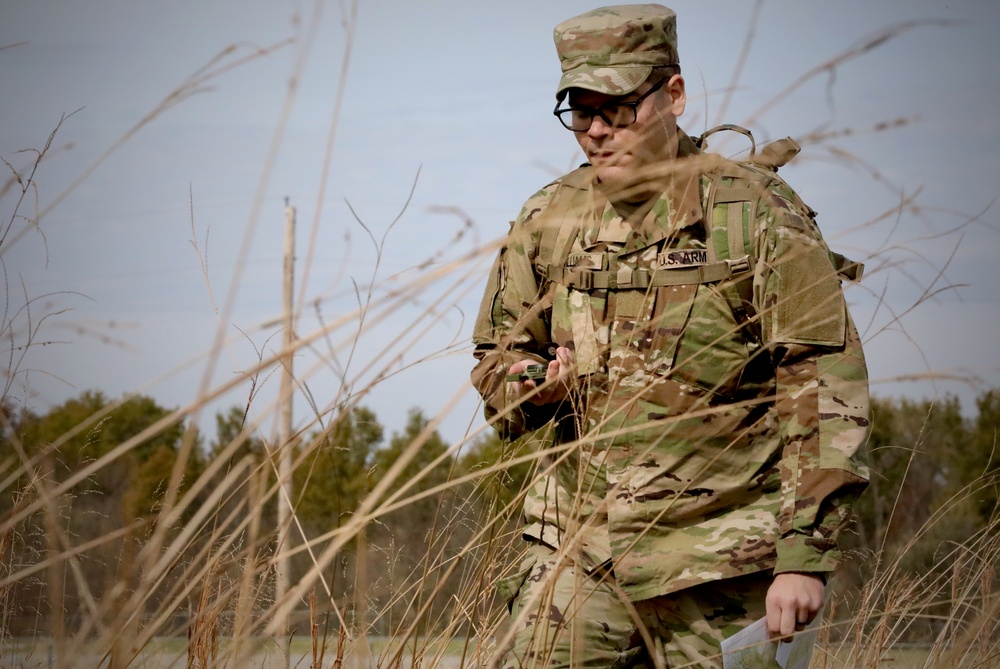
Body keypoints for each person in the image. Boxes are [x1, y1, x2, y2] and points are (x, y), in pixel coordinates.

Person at [471, 4, 871, 668]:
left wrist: (805, 553)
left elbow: (822, 384)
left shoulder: (756, 214)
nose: (597, 131)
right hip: (576, 557)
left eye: (619, 108)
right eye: (580, 110)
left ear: (675, 95)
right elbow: (497, 362)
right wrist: (535, 384)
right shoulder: (547, 220)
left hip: (723, 561)